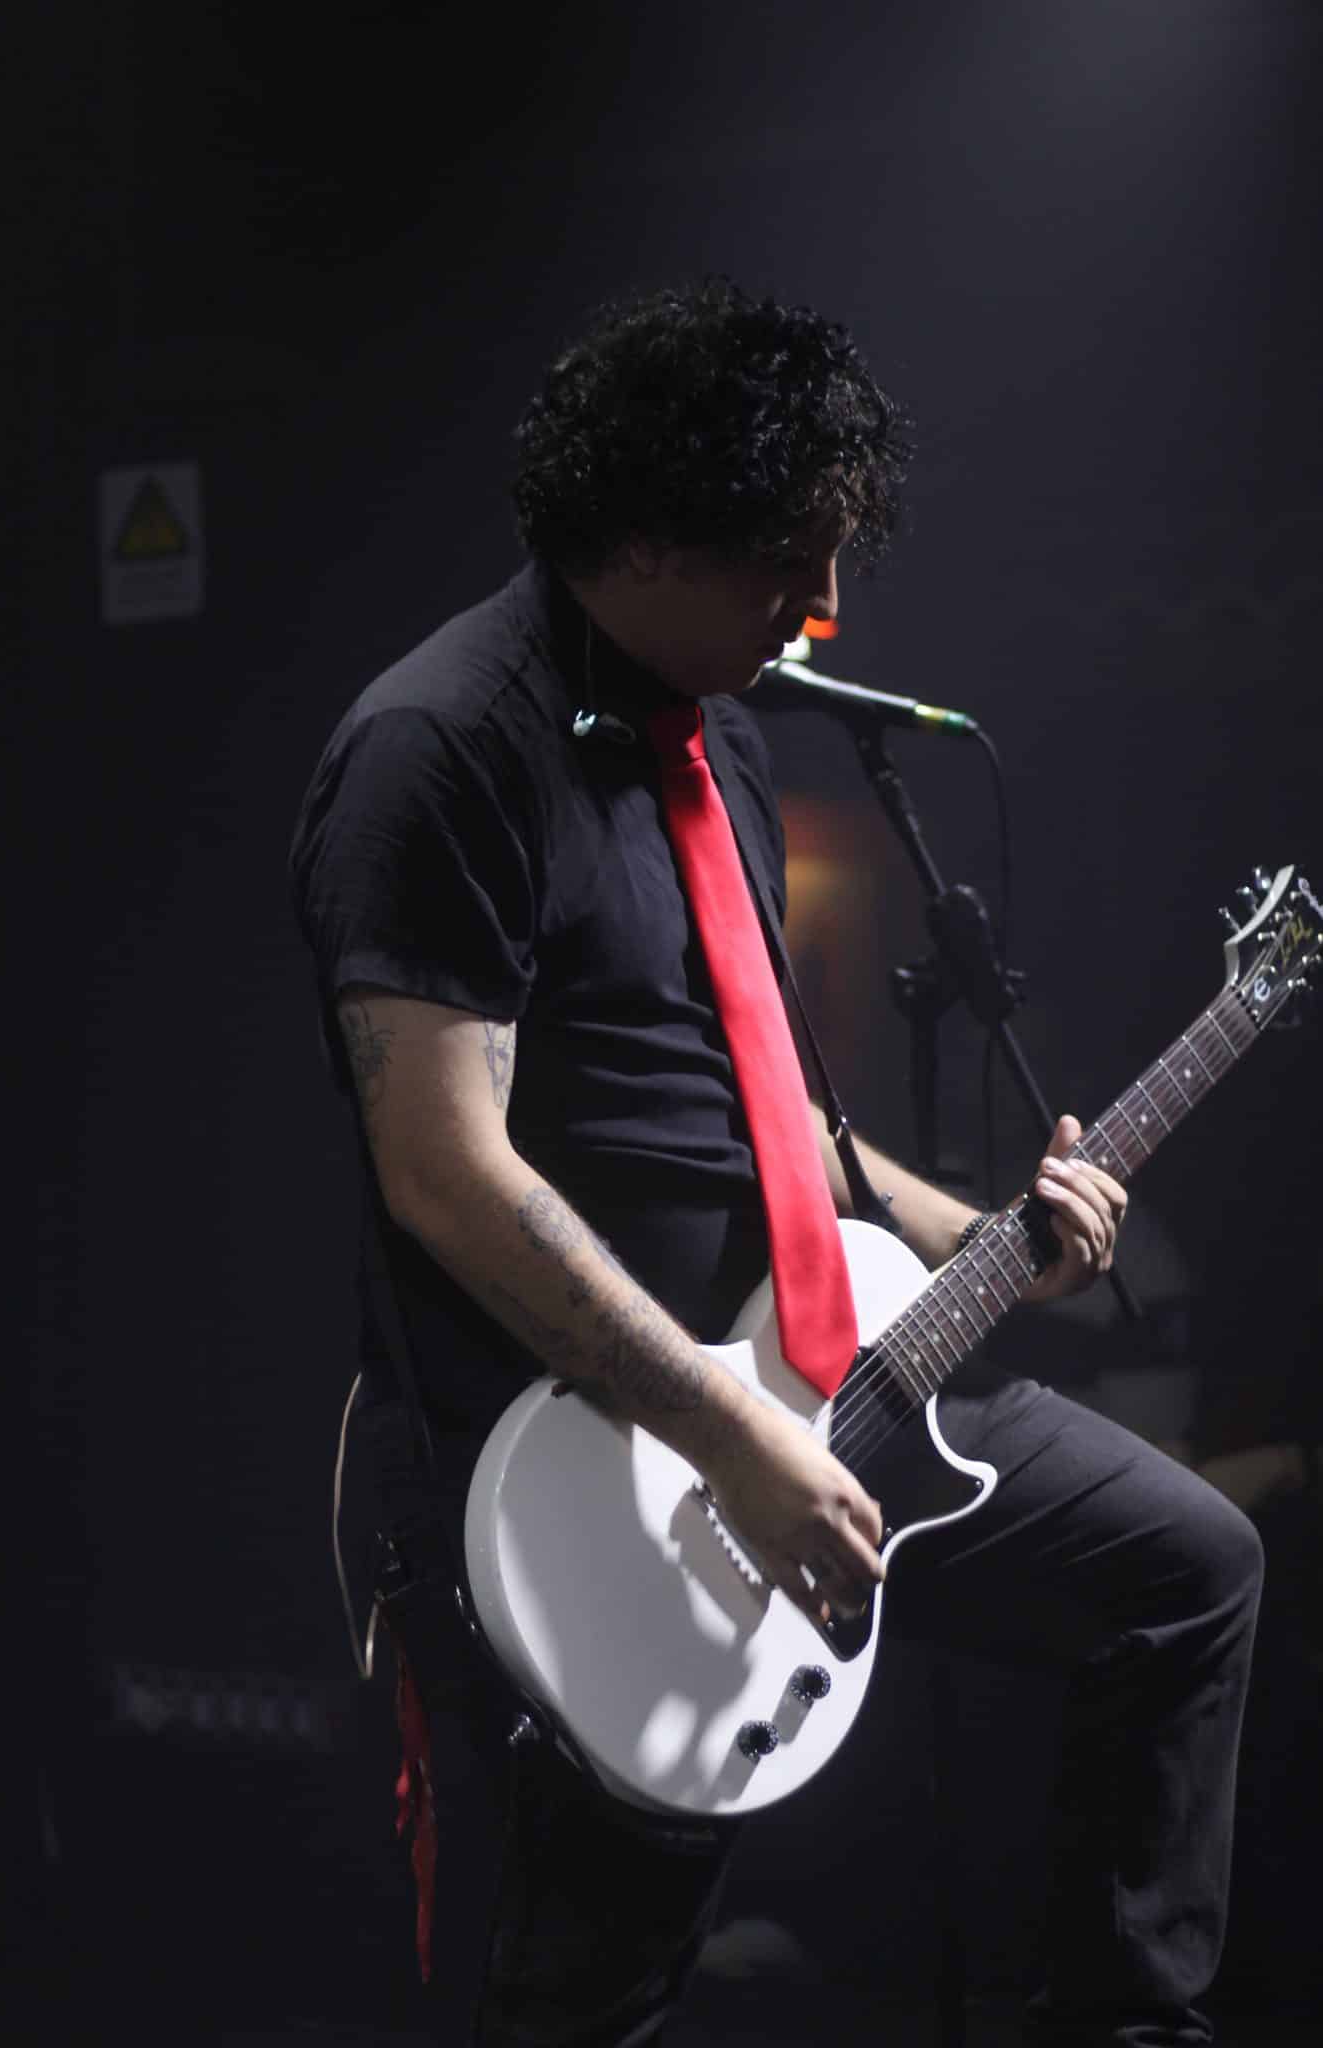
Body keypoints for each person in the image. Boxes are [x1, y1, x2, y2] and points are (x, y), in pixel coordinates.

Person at [290, 280, 1263, 2048]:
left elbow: (772, 1114)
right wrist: (727, 1437)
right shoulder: (442, 749)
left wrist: (983, 1231)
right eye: (781, 562)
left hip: (825, 1381)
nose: (819, 608)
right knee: (595, 1973)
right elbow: (441, 1168)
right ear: (648, 533)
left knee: (1185, 1565)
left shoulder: (714, 732)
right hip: (598, 1454)